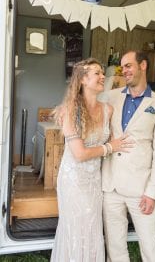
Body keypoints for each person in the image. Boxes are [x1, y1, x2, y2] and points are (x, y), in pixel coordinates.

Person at [50, 58, 132, 262]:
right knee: (76, 228)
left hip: (94, 180)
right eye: (97, 73)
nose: (103, 76)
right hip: (73, 180)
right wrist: (109, 147)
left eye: (102, 72)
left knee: (93, 227)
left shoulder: (108, 110)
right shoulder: (70, 110)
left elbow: (116, 139)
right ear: (83, 80)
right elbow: (79, 154)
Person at [102, 50, 155, 262]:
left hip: (141, 189)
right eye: (123, 67)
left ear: (143, 66)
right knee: (115, 246)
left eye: (129, 66)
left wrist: (152, 192)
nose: (125, 71)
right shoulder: (111, 97)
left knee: (150, 247)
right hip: (111, 186)